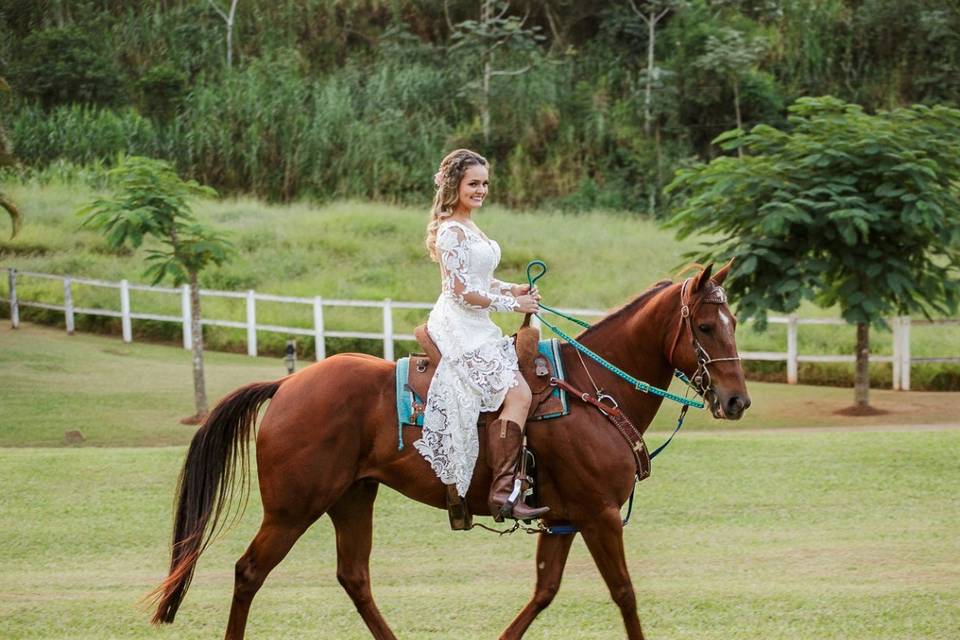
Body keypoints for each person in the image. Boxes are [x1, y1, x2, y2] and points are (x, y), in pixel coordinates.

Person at [415, 148, 550, 522]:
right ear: (455, 185)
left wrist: (514, 290)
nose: (481, 190)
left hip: (479, 323)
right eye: (473, 183)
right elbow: (460, 290)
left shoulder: (471, 226)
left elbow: (483, 282)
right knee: (520, 394)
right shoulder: (451, 232)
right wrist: (512, 307)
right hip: (458, 324)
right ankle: (502, 491)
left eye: (485, 184)